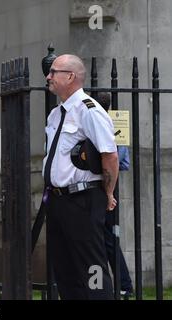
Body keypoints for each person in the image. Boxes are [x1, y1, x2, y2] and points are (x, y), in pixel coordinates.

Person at [43, 54, 119, 299]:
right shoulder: (56, 114)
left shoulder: (89, 110)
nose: (48, 76)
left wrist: (108, 193)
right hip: (57, 200)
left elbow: (110, 155)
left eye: (53, 72)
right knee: (65, 271)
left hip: (83, 198)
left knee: (91, 269)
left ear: (70, 76)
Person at [95, 92, 133, 297]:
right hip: (113, 184)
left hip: (100, 186)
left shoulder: (97, 124)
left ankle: (115, 284)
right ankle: (123, 284)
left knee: (102, 238)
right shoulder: (116, 126)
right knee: (109, 237)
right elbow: (124, 163)